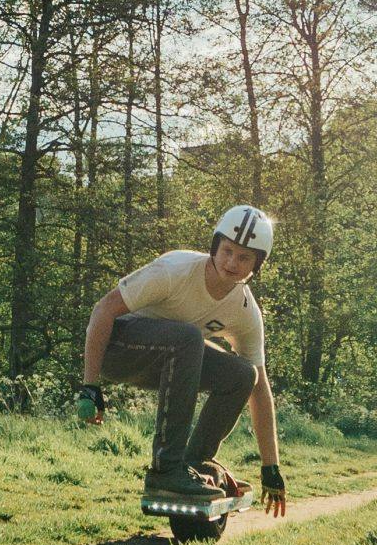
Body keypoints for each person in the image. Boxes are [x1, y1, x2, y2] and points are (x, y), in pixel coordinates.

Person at [76, 205, 287, 514]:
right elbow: (103, 310)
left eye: (244, 258)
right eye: (227, 251)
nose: (232, 263)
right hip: (118, 349)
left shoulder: (245, 310)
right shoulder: (175, 270)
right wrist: (90, 386)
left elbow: (260, 387)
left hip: (172, 362)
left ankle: (194, 461)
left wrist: (271, 466)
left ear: (258, 264)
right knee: (189, 338)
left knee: (243, 374)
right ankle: (166, 470)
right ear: (215, 246)